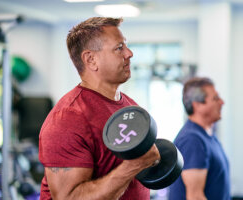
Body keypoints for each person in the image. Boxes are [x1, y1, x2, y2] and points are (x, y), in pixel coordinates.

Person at [38, 17, 160, 200]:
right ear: (91, 59)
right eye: (119, 48)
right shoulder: (68, 118)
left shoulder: (129, 106)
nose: (129, 53)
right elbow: (68, 198)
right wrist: (133, 166)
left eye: (126, 46)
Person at [168, 77, 230, 200]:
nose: (222, 102)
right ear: (197, 105)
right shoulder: (192, 140)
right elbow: (195, 197)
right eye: (215, 98)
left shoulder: (207, 136)